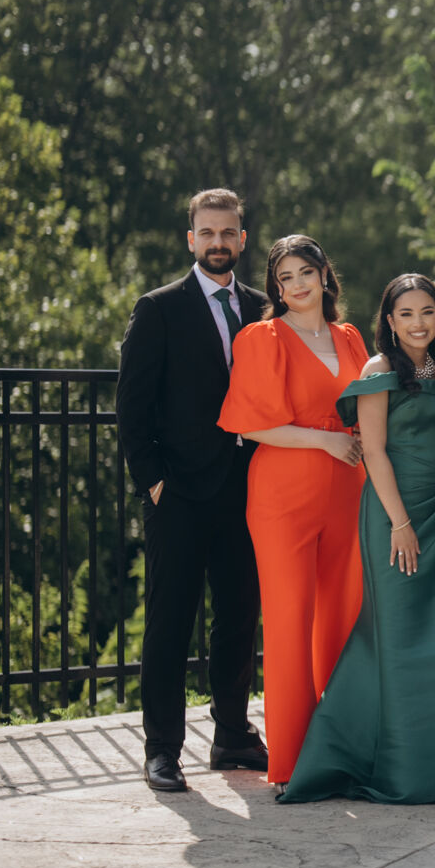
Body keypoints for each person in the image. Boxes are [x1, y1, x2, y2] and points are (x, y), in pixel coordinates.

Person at [280, 274, 435, 804]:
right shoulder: (378, 370)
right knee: (398, 633)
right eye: (407, 314)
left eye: (427, 312)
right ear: (390, 321)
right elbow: (373, 451)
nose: (418, 323)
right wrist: (400, 523)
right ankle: (399, 768)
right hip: (395, 513)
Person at [116, 188, 270, 793]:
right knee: (170, 623)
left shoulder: (262, 308)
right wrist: (153, 482)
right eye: (207, 233)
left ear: (242, 239)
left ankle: (232, 734)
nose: (217, 242)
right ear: (191, 239)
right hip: (178, 493)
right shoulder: (158, 309)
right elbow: (132, 407)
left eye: (227, 232)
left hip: (246, 490)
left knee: (238, 617)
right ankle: (162, 750)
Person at [217, 234, 370, 790]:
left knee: (345, 618)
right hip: (284, 495)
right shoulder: (262, 338)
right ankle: (293, 761)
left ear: (325, 275)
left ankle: (344, 750)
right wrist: (324, 440)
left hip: (348, 490)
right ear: (275, 288)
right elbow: (252, 424)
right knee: (289, 622)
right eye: (286, 277)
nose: (298, 284)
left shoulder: (350, 337)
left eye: (306, 272)